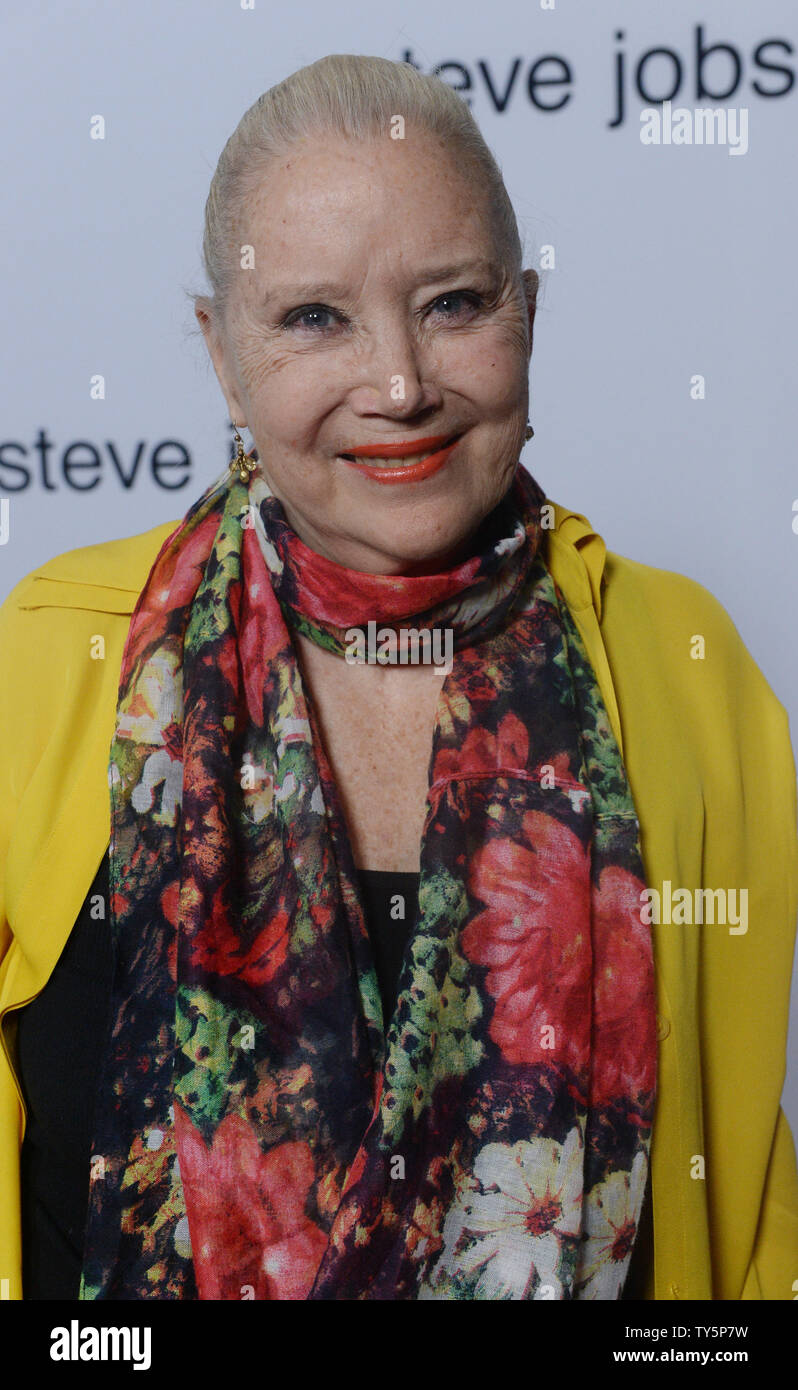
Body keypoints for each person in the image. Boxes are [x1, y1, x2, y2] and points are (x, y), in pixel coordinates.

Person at [0, 53, 796, 1303]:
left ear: (527, 310)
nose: (401, 385)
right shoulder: (49, 660)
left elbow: (746, 1220)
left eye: (454, 302)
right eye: (314, 317)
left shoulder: (682, 669)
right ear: (221, 354)